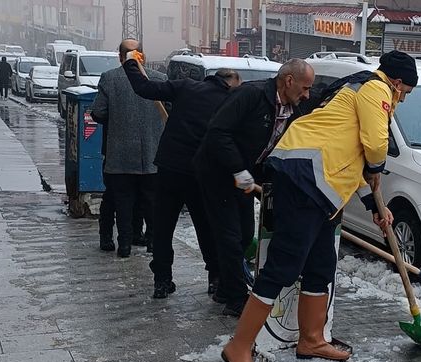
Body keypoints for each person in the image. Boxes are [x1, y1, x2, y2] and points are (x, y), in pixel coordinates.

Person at [220, 51, 417, 362]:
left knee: (321, 264)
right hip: (304, 179)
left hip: (321, 187)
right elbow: (374, 144)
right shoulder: (375, 89)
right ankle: (239, 346)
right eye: (406, 92)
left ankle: (311, 339)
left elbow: (349, 159)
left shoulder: (354, 95)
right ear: (398, 83)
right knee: (284, 265)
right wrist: (376, 167)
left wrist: (373, 203)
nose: (404, 98)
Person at [195, 59, 313, 317]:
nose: (307, 95)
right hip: (217, 173)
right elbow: (218, 132)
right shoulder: (252, 95)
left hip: (246, 177)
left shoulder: (293, 110)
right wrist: (238, 169)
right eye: (304, 88)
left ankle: (225, 289)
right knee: (229, 236)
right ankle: (236, 299)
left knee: (246, 234)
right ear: (289, 81)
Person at [121, 45, 242, 299]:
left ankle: (162, 281)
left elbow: (145, 88)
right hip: (201, 175)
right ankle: (216, 279)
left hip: (169, 169)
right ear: (231, 84)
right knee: (206, 227)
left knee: (163, 227)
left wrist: (131, 62)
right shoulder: (231, 102)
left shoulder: (187, 87)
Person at [91, 39, 166, 258]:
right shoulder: (160, 79)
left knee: (121, 201)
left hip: (119, 157)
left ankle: (124, 246)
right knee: (152, 202)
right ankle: (152, 242)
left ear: (121, 56)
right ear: (142, 55)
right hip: (153, 156)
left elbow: (99, 112)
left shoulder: (110, 78)